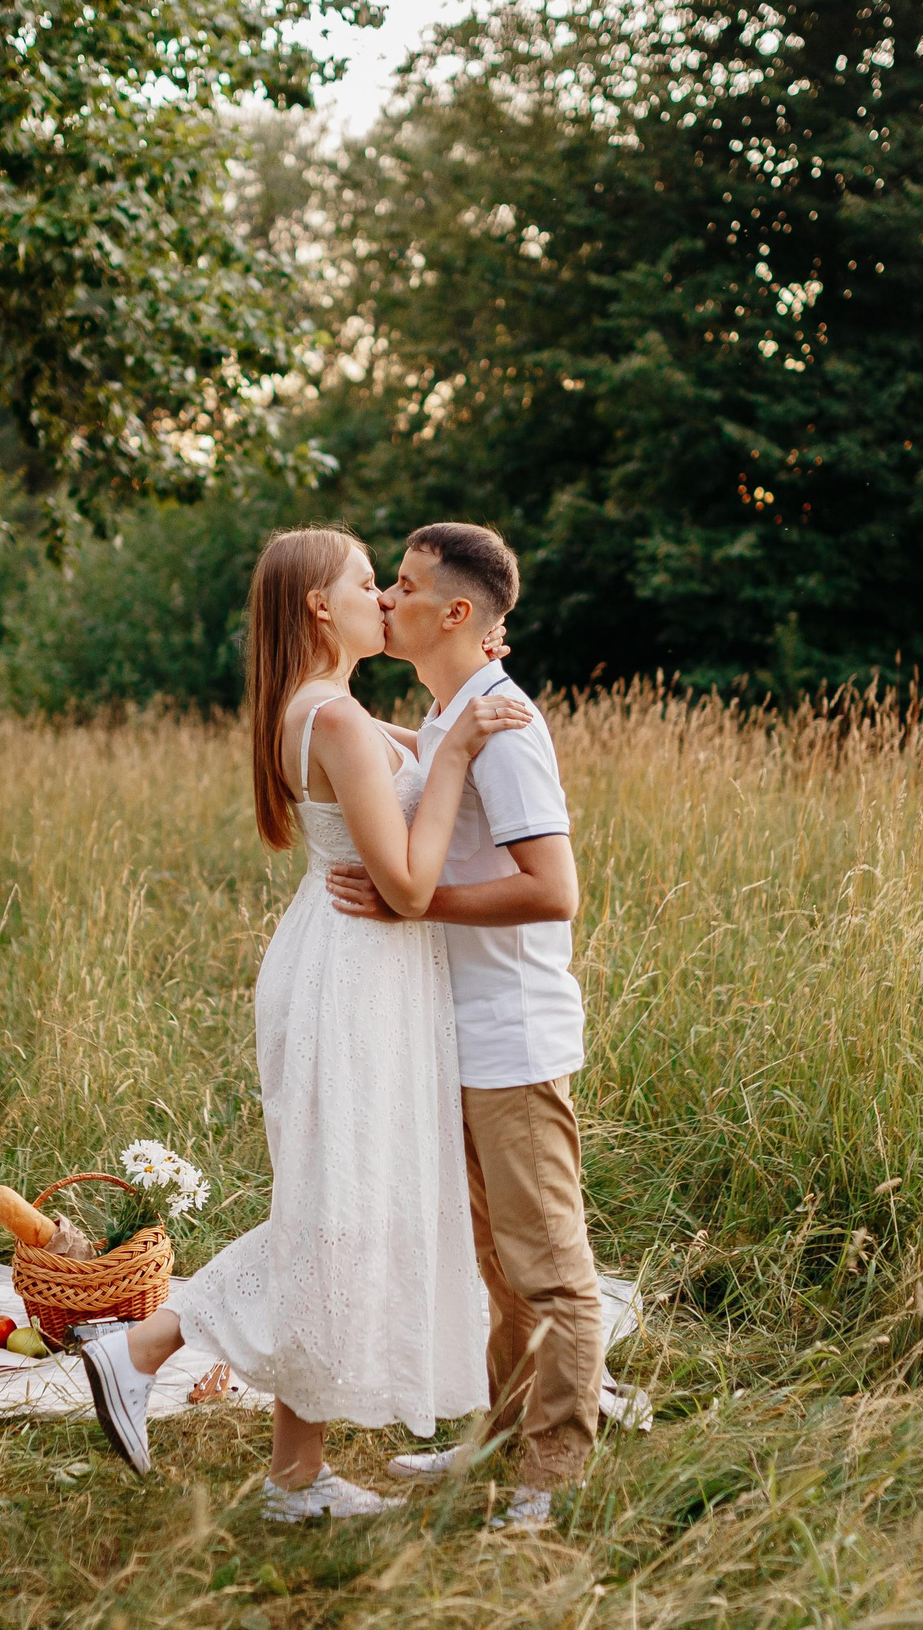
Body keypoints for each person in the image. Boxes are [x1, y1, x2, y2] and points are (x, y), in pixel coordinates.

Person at [77, 524, 533, 1523]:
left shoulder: (338, 711)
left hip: (359, 966)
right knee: (335, 1214)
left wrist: (457, 697)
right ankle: (147, 1353)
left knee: (344, 1207)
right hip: (354, 969)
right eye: (369, 583)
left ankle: (291, 1471)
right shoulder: (329, 719)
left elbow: (412, 766)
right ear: (320, 608)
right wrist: (454, 747)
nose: (384, 597)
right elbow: (408, 884)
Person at [324, 522, 599, 1532]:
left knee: (551, 1272)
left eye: (401, 585)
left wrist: (416, 904)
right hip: (459, 1032)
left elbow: (552, 890)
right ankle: (499, 1436)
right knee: (496, 1266)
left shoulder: (504, 723)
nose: (385, 599)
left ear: (456, 614)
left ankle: (551, 1473)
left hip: (513, 1039)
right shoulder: (451, 713)